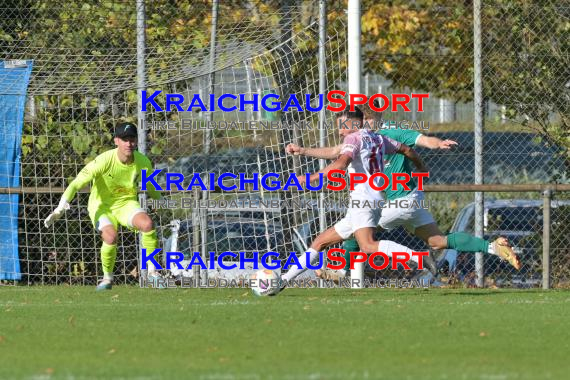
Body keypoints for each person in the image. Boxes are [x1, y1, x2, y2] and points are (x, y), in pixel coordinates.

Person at [288, 101, 521, 281]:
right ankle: (492, 247)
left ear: (371, 118)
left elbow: (420, 140)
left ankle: (340, 270)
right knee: (438, 241)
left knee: (360, 233)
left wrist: (437, 143)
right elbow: (336, 151)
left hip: (395, 201)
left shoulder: (390, 133)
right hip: (411, 200)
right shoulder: (370, 138)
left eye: (367, 118)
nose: (364, 123)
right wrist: (303, 150)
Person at [275, 106, 433, 294]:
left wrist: (310, 178)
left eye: (342, 126)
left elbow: (340, 163)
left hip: (363, 201)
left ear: (354, 123)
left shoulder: (354, 138)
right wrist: (421, 168)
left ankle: (419, 257)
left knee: (367, 245)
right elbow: (406, 149)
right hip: (373, 200)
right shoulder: (378, 138)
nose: (340, 130)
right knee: (320, 242)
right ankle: (283, 280)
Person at [44, 122, 162, 291]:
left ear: (136, 141)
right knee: (110, 237)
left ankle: (152, 273)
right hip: (101, 206)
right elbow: (76, 184)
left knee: (147, 224)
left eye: (131, 139)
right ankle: (107, 278)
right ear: (116, 141)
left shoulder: (143, 162)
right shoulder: (104, 160)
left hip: (126, 204)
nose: (128, 143)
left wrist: (163, 205)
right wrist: (60, 208)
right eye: (124, 139)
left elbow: (152, 187)